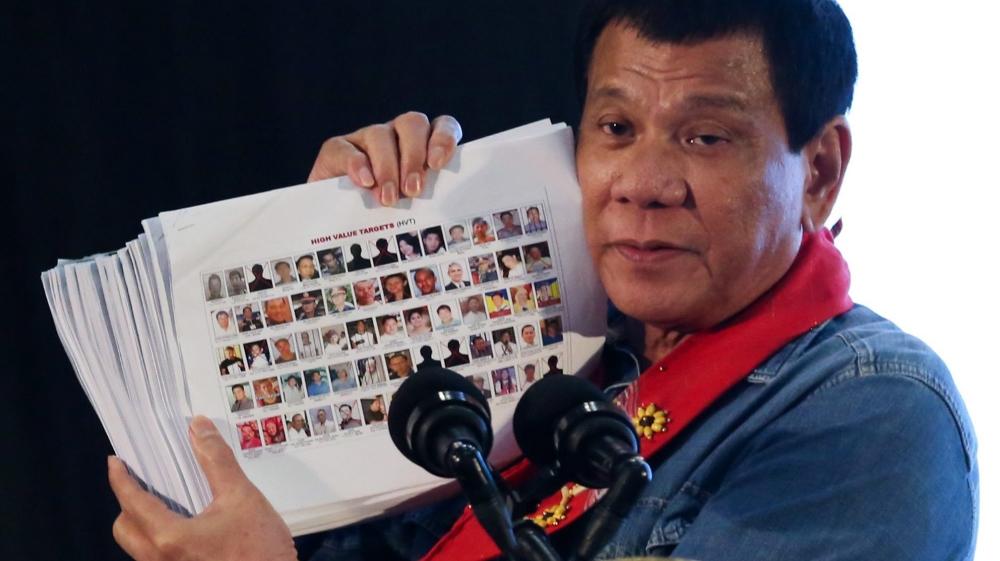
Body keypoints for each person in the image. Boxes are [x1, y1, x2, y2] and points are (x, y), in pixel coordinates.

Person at [111, 2, 978, 560]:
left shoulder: (879, 409)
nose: (642, 182)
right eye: (616, 127)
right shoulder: (557, 359)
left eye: (706, 137)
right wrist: (359, 265)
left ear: (819, 170)